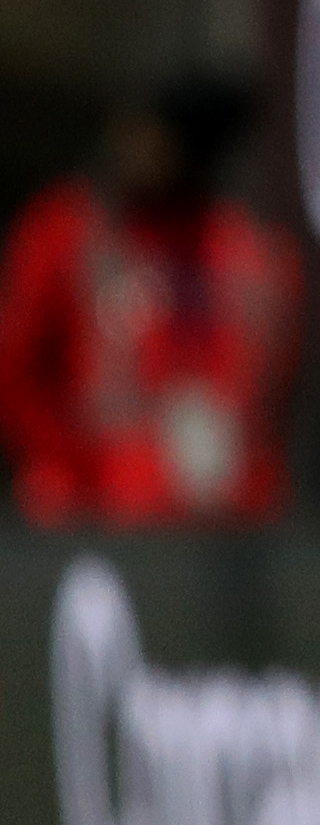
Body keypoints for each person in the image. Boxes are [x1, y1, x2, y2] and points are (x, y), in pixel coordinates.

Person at [0, 77, 296, 528]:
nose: (135, 152)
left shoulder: (250, 252)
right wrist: (72, 465)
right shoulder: (63, 233)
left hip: (220, 526)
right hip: (88, 518)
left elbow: (266, 399)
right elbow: (15, 374)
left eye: (155, 141)